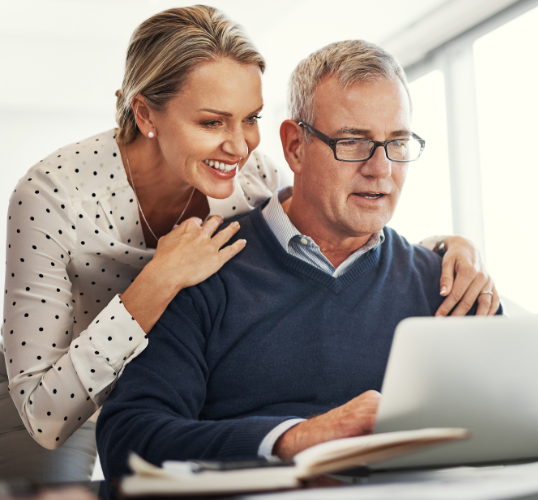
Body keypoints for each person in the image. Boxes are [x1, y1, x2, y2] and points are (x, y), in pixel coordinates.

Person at [0, 7, 498, 484]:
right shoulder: (54, 197)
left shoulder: (250, 175)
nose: (239, 146)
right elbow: (53, 418)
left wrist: (441, 252)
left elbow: (325, 219)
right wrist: (160, 280)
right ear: (146, 114)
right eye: (212, 121)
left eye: (251, 118)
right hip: (52, 395)